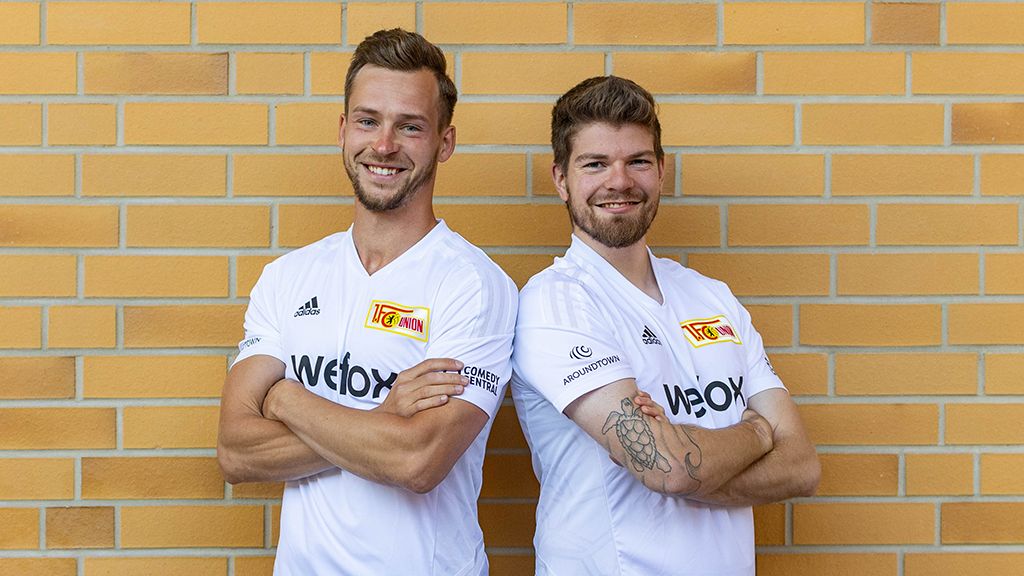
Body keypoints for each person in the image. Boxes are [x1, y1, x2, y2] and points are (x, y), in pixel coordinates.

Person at [217, 29, 518, 575]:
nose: (383, 145)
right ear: (342, 130)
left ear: (444, 143)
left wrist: (284, 400)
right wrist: (380, 418)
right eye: (367, 120)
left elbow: (416, 459)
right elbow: (236, 453)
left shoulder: (473, 285)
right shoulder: (288, 277)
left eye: (410, 126)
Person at [511, 76, 820, 576]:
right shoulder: (555, 302)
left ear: (661, 169)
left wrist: (685, 459)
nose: (619, 181)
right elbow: (666, 465)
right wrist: (761, 433)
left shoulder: (711, 297)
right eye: (595, 164)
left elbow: (803, 467)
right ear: (561, 179)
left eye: (637, 161)